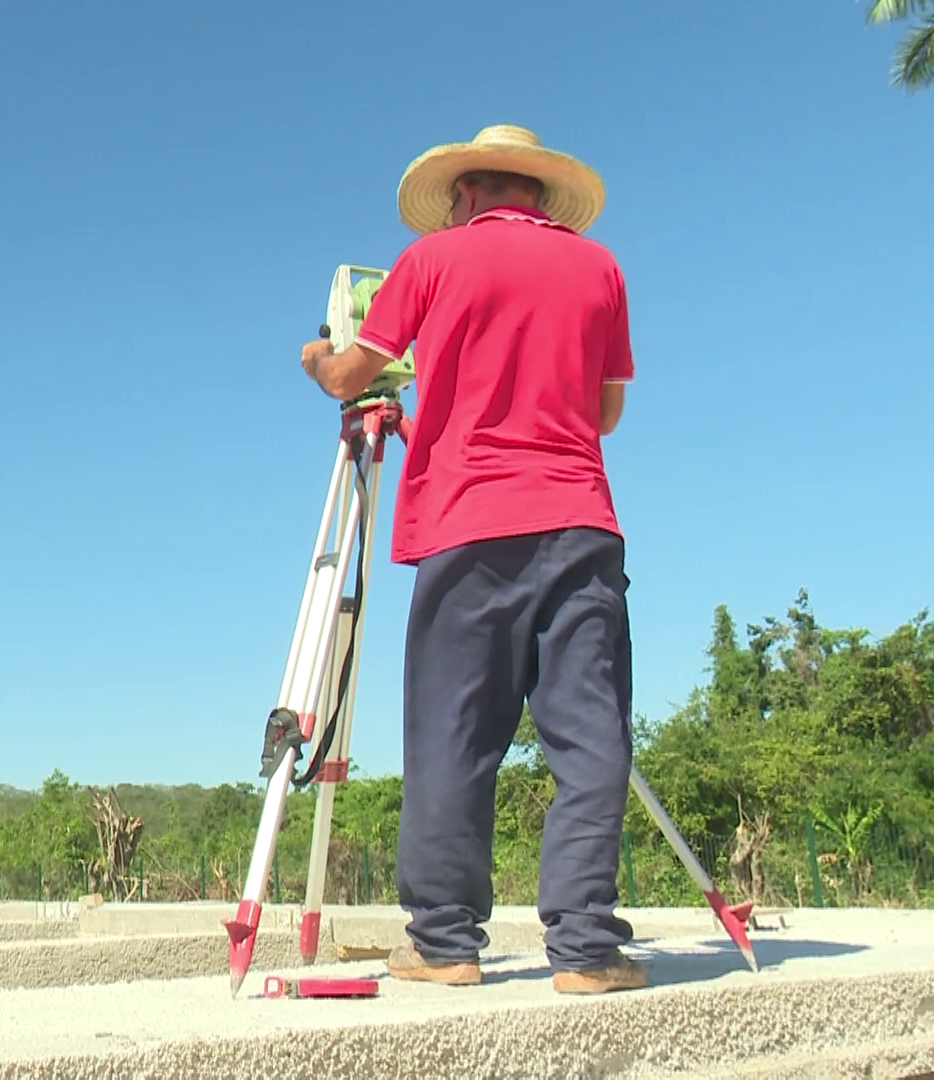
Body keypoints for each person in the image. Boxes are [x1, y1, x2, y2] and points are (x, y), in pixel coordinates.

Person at [297, 124, 645, 995]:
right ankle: (588, 952)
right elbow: (603, 416)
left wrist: (317, 358)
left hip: (467, 527)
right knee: (590, 735)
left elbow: (352, 377)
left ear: (463, 193)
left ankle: (446, 945)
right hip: (580, 524)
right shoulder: (601, 268)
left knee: (454, 737)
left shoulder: (431, 260)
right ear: (537, 194)